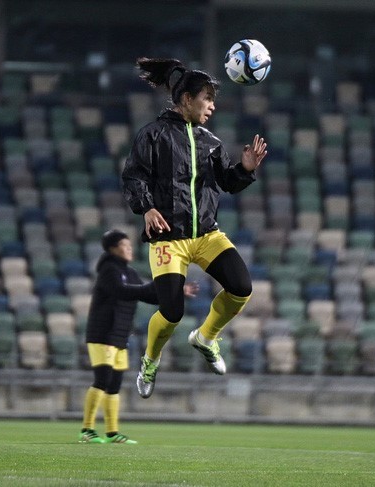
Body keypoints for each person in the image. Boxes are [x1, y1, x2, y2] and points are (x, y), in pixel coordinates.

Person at [122, 57, 267, 398]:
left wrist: (245, 169)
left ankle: (205, 338)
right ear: (186, 99)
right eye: (207, 99)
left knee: (242, 288)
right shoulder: (152, 135)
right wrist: (146, 208)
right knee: (172, 311)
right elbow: (133, 176)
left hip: (206, 235)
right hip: (168, 238)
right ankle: (150, 361)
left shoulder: (211, 142)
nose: (212, 106)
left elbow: (227, 183)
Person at [78, 229, 198, 444]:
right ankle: (87, 430)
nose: (129, 248)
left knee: (114, 384)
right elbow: (122, 291)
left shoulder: (130, 273)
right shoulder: (108, 271)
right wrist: (153, 287)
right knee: (102, 380)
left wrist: (174, 292)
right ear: (113, 248)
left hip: (120, 336)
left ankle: (112, 433)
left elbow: (146, 293)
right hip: (102, 334)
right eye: (125, 245)